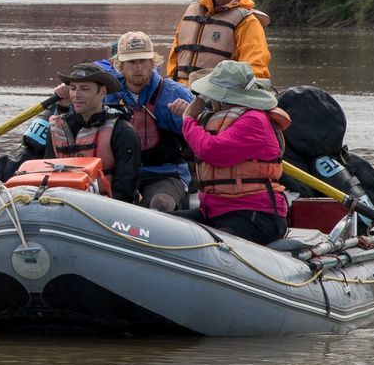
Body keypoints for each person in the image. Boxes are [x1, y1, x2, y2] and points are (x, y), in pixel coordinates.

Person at [170, 59, 291, 244]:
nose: (208, 99)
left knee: (215, 245)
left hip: (255, 215)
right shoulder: (221, 118)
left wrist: (188, 118)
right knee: (167, 223)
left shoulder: (254, 121)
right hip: (217, 210)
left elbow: (210, 150)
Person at [24, 63, 140, 203]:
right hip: (58, 204)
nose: (77, 95)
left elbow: (124, 192)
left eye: (85, 89)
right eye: (73, 88)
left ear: (102, 92)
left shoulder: (123, 132)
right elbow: (48, 176)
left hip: (104, 208)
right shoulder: (56, 129)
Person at [106, 31, 196, 211]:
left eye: (143, 61)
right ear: (120, 65)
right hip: (120, 174)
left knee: (160, 204)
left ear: (152, 63)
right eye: (131, 62)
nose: (137, 67)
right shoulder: (106, 93)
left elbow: (207, 133)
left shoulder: (176, 93)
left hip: (166, 174)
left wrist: (189, 116)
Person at [166, 0, 271, 86]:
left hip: (219, 99)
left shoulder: (247, 22)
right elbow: (173, 62)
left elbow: (256, 70)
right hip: (180, 95)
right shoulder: (191, 13)